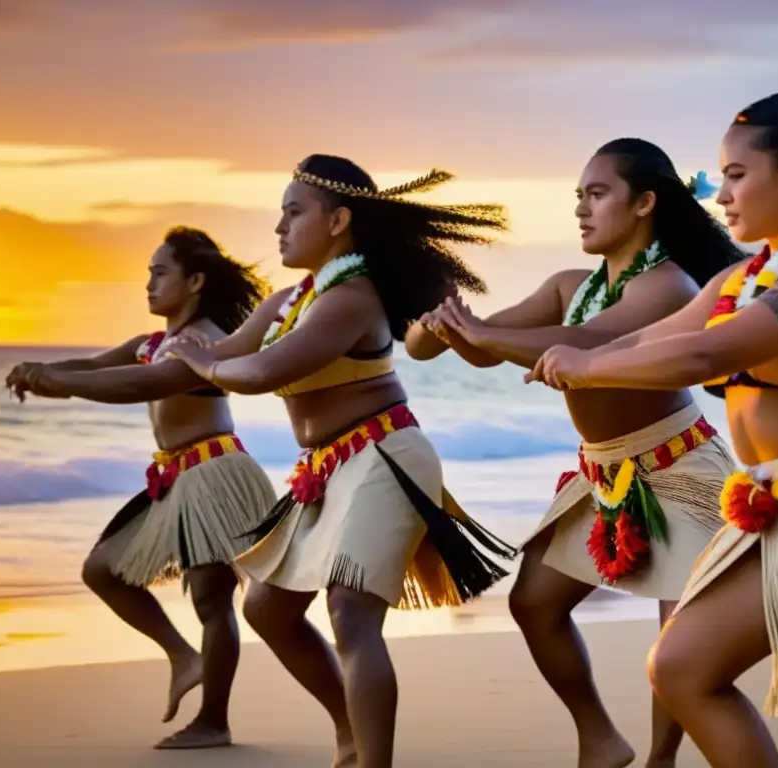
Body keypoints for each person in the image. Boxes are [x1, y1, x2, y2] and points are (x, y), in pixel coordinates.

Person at [527, 92, 778, 768]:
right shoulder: (739, 279)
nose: (719, 194)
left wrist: (584, 363)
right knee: (683, 667)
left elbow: (706, 355)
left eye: (736, 175)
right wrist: (571, 355)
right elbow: (648, 340)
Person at [164, 155, 517, 768]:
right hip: (330, 466)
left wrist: (202, 361)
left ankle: (369, 759)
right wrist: (75, 378)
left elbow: (255, 371)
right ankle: (350, 730)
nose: (279, 226)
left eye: (294, 212)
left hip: (384, 456)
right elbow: (218, 354)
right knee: (266, 606)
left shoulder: (351, 299)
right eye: (280, 212)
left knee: (351, 613)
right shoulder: (293, 299)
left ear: (338, 221)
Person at [407, 138, 743, 767]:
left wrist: (484, 333)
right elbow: (478, 348)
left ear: (644, 203)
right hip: (604, 475)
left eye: (597, 194)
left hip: (679, 468)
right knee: (533, 603)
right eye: (578, 197)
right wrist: (439, 325)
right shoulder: (570, 284)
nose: (582, 210)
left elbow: (586, 342)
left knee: (678, 640)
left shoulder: (669, 285)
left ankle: (661, 761)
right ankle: (599, 737)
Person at [5, 226, 279, 750]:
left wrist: (59, 382)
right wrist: (40, 372)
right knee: (102, 570)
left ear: (195, 280)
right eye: (148, 274)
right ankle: (183, 656)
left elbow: (132, 387)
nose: (148, 284)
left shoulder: (204, 341)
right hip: (177, 475)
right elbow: (93, 368)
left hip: (215, 474)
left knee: (211, 599)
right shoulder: (151, 344)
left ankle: (213, 722)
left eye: (159, 272)